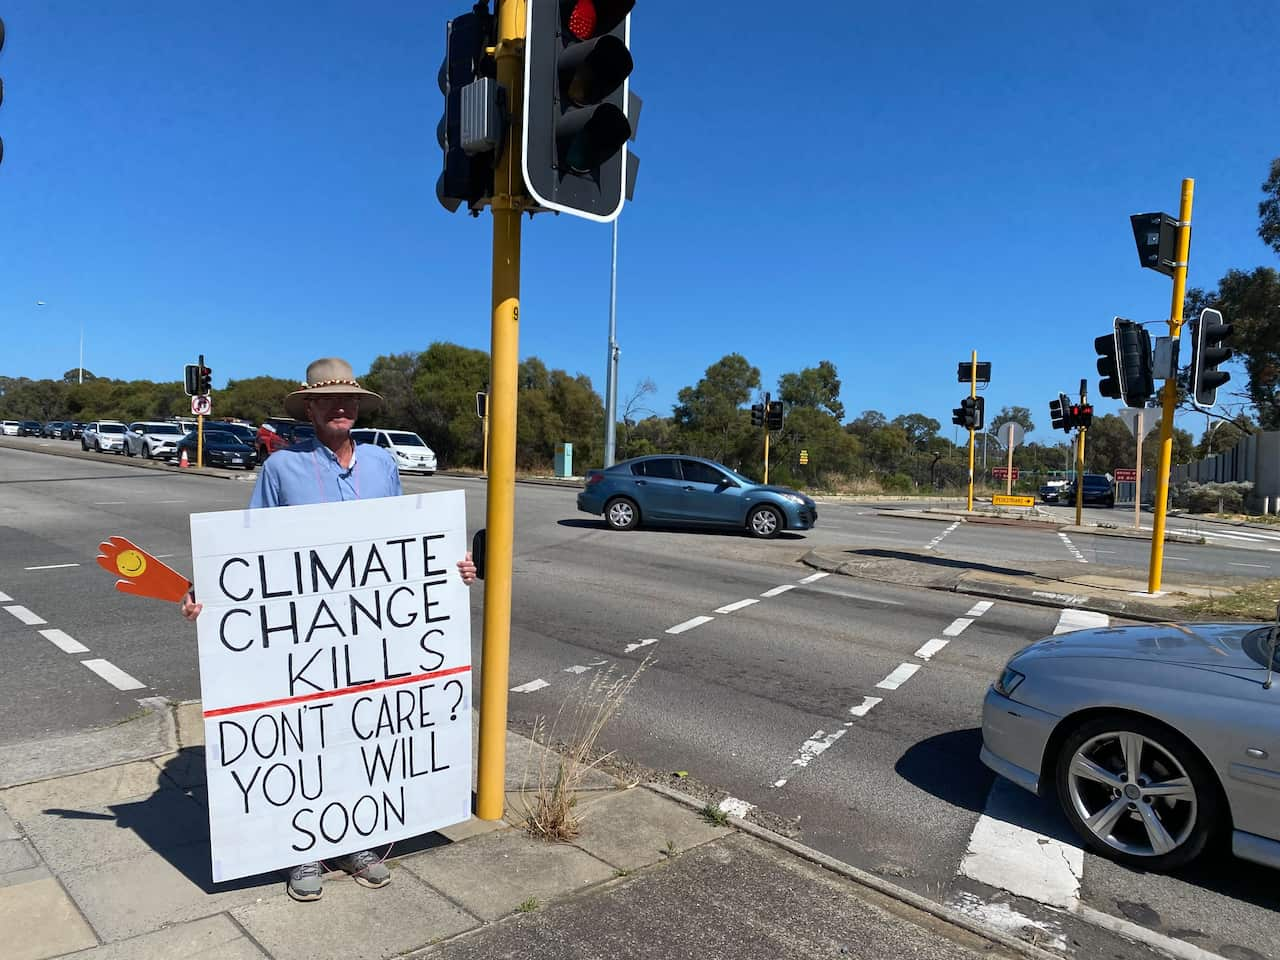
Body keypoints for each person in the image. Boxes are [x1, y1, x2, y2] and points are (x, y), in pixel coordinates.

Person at [181, 356, 477, 902]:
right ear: (310, 408)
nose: (341, 407)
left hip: (368, 634)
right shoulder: (281, 469)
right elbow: (250, 548)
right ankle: (304, 850)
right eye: (328, 400)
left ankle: (358, 840)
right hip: (304, 640)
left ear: (358, 408)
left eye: (349, 400)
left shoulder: (381, 464)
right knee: (306, 735)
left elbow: (403, 544)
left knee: (358, 732)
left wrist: (450, 567)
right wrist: (211, 593)